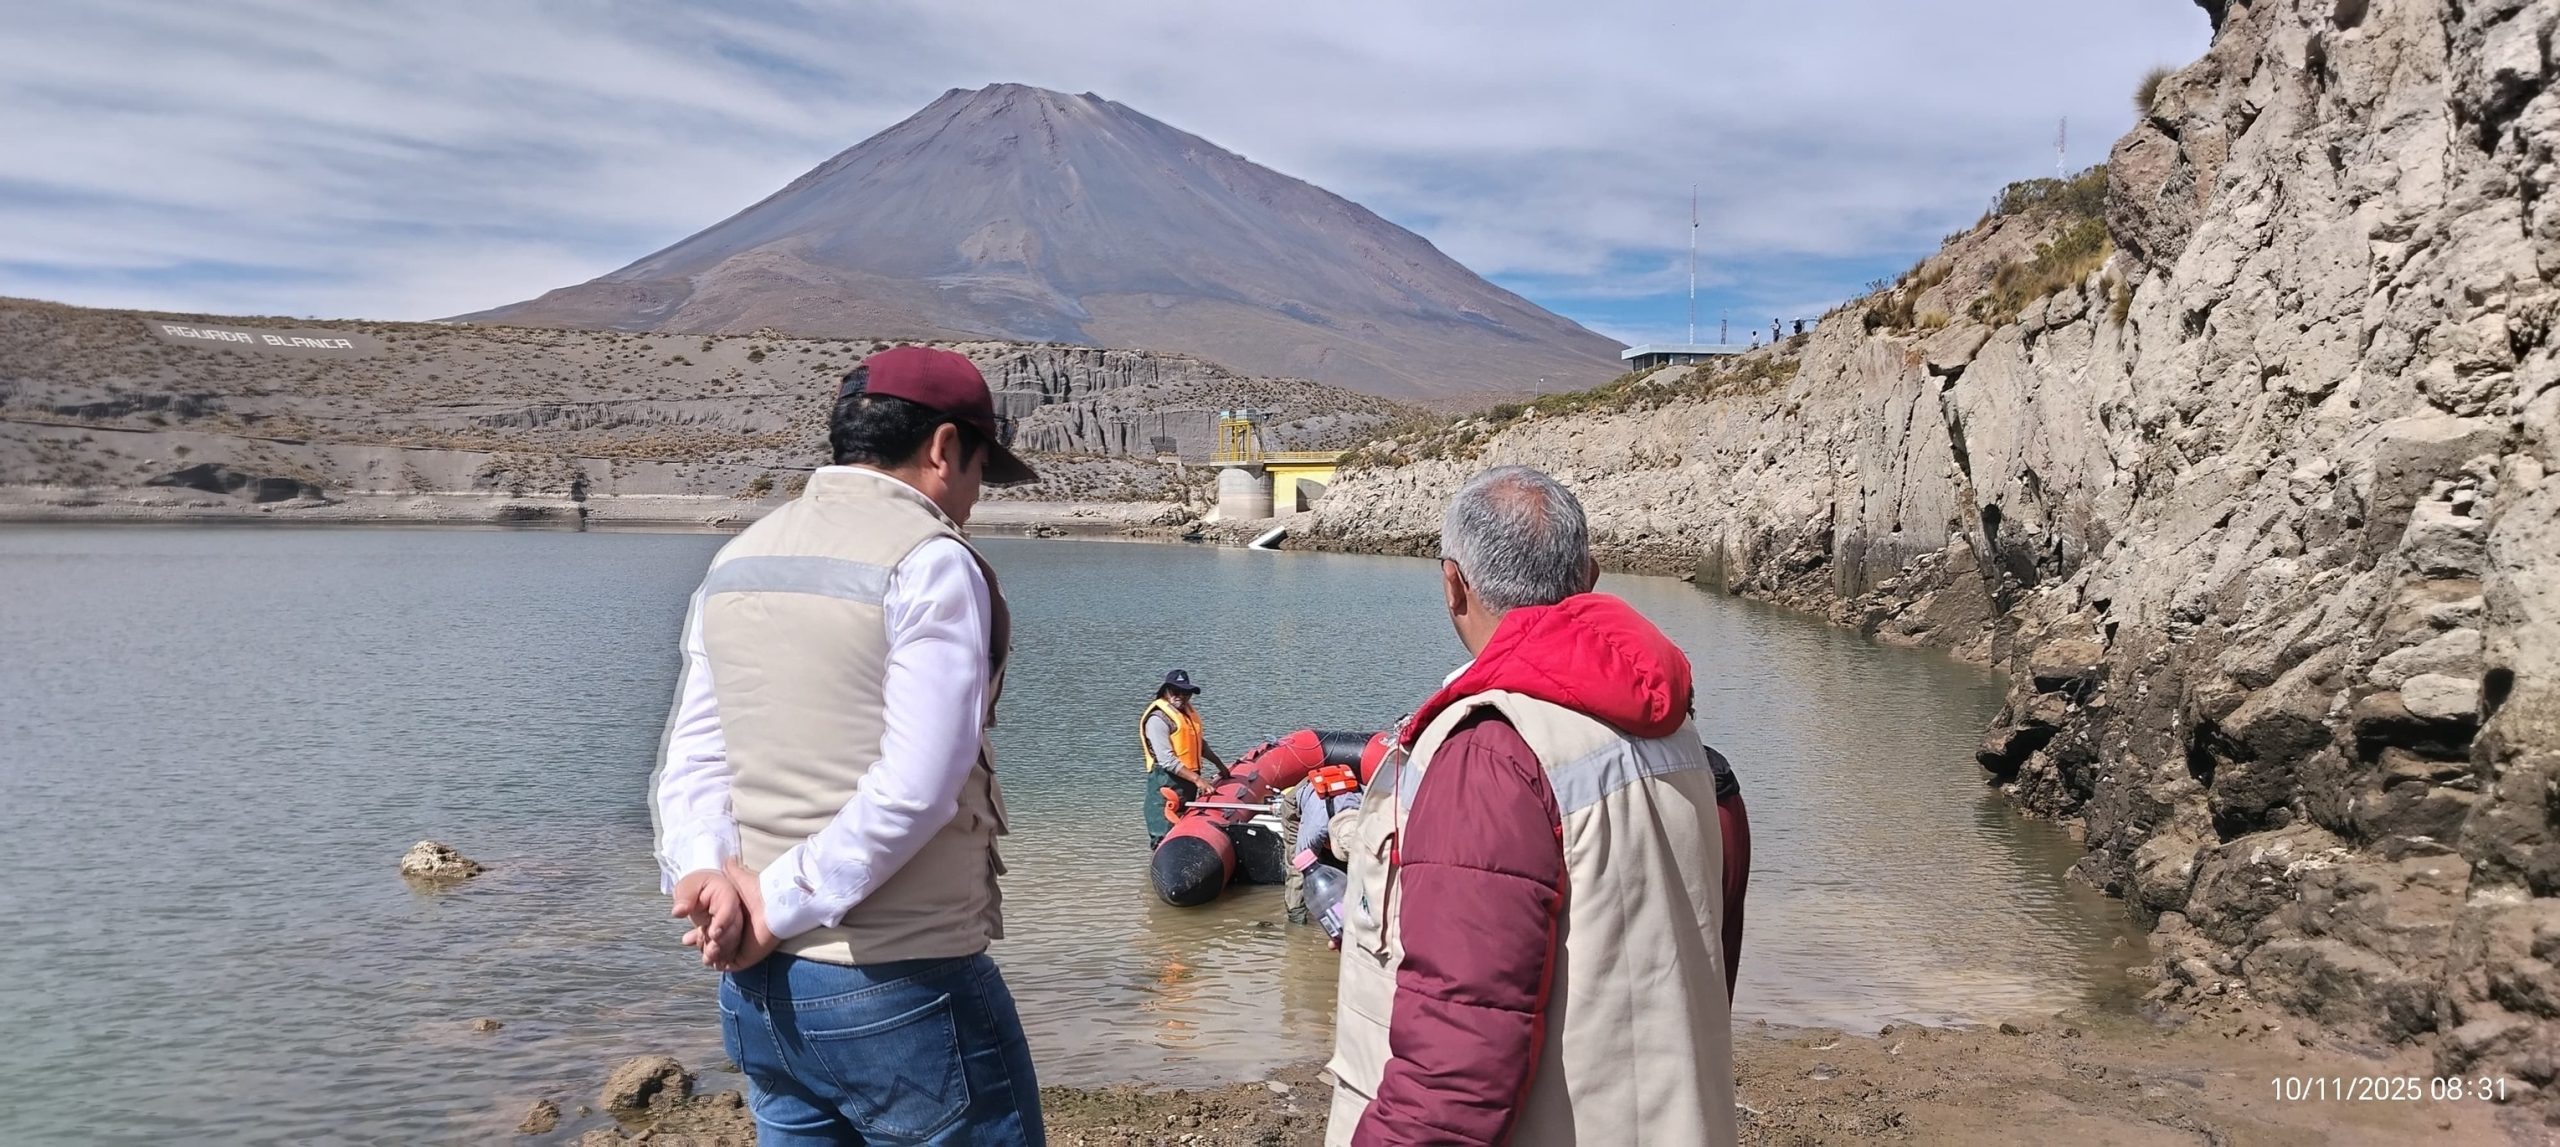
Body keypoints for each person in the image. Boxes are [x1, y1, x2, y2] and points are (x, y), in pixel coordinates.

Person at [650, 345, 1047, 1145]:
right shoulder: (931, 561)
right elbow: (916, 785)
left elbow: (693, 759)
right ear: (942, 448)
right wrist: (775, 905)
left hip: (758, 995)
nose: (972, 498)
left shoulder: (735, 559)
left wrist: (705, 877)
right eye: (976, 471)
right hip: (902, 983)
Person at [1325, 465, 1740, 1146]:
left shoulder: (1491, 752)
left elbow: (1452, 1071)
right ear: (1591, 575)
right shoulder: (1679, 737)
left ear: (1453, 585)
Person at [1141, 669, 1223, 847]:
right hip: (1165, 789)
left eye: (1186, 693)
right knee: (1164, 841)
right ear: (1166, 691)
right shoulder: (1157, 720)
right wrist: (1198, 780)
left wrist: (1221, 767)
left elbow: (1200, 745)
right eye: (1176, 691)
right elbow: (1167, 761)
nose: (1181, 696)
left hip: (1186, 787)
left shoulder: (1185, 714)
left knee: (1186, 835)